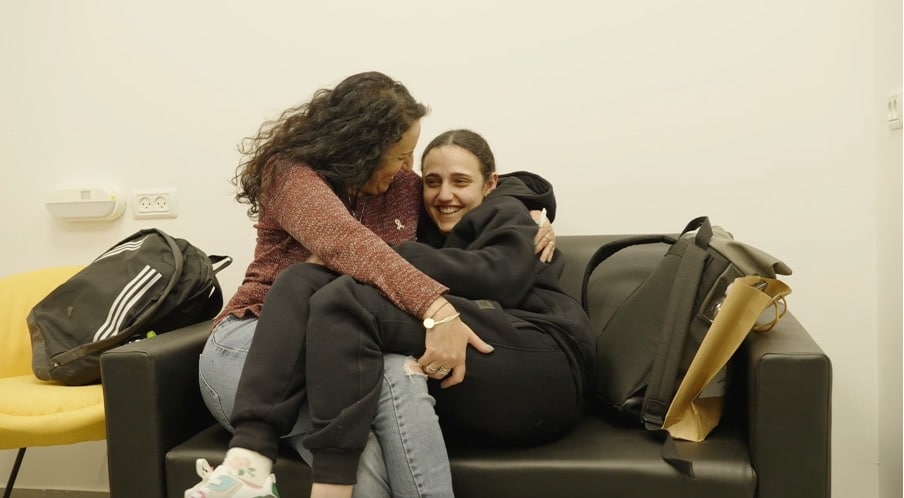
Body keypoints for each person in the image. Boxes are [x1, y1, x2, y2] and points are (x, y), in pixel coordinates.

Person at [185, 72, 556, 498]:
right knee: (362, 455)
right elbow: (347, 243)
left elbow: (463, 185)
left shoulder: (399, 186)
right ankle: (246, 471)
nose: (406, 168)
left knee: (401, 372)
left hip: (342, 343)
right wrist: (436, 308)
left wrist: (524, 208)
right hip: (256, 340)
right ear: (361, 149)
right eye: (399, 156)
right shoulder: (289, 173)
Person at [301, 129, 595, 498]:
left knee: (347, 299)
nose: (444, 195)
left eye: (460, 182)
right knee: (381, 357)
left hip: (543, 352)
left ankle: (288, 463)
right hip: (492, 369)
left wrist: (386, 256)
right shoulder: (422, 222)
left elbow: (501, 278)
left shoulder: (506, 211)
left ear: (490, 184)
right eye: (433, 182)